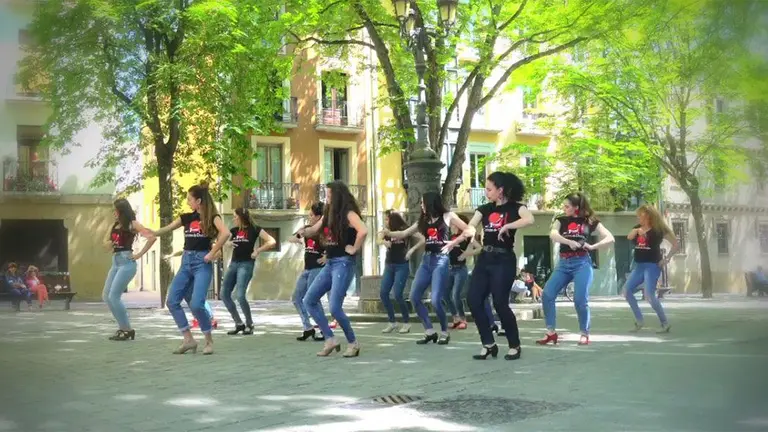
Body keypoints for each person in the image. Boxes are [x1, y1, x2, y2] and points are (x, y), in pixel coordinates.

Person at [143, 183, 229, 355]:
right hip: (186, 262)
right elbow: (167, 228)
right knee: (172, 301)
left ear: (199, 201)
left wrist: (212, 252)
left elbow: (226, 233)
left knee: (196, 304)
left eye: (190, 199)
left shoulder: (213, 218)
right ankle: (188, 339)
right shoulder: (187, 218)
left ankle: (209, 341)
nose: (188, 202)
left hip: (201, 263)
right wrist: (153, 233)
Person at [382, 192, 474, 346]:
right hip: (426, 261)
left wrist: (454, 242)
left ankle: (444, 332)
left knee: (436, 300)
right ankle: (429, 331)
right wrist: (388, 233)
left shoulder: (448, 216)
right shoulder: (423, 220)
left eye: (422, 202)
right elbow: (404, 233)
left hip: (441, 261)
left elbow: (470, 230)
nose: (421, 205)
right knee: (414, 297)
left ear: (430, 203)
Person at [464, 172, 534, 360]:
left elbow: (529, 219)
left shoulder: (516, 208)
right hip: (485, 258)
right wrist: (469, 231)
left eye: (489, 189)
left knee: (500, 303)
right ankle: (488, 344)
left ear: (500, 190)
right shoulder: (484, 209)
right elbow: (472, 224)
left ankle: (514, 345)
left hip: (504, 259)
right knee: (473, 300)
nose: (486, 192)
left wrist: (508, 226)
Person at [299, 181, 368, 357]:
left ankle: (353, 343)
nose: (327, 198)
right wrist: (304, 232)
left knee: (335, 308)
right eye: (326, 194)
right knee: (309, 300)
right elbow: (315, 229)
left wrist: (354, 248)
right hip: (330, 263)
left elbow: (363, 230)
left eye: (329, 195)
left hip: (343, 263)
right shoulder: (328, 214)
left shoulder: (349, 213)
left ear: (338, 196)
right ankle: (330, 339)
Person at [537, 192, 615, 346]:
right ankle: (551, 332)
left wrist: (593, 246)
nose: (564, 209)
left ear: (576, 207)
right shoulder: (561, 220)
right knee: (547, 294)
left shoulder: (589, 221)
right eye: (564, 206)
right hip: (564, 263)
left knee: (580, 299)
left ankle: (584, 333)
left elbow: (610, 238)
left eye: (567, 206)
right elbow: (553, 234)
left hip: (582, 263)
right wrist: (568, 242)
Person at [102, 198, 155, 341]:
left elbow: (151, 238)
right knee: (106, 296)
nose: (114, 213)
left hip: (127, 262)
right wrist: (108, 244)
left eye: (116, 210)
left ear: (121, 211)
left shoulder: (133, 224)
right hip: (115, 262)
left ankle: (127, 329)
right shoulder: (114, 225)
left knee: (114, 296)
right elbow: (105, 244)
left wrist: (139, 254)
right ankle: (123, 327)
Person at [221, 207, 276, 335]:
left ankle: (249, 324)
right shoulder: (234, 230)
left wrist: (258, 251)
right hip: (234, 264)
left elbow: (272, 241)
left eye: (235, 216)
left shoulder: (254, 229)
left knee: (240, 296)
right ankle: (239, 323)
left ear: (241, 217)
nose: (234, 219)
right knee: (224, 295)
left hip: (246, 265)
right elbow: (223, 241)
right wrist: (227, 244)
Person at [624, 205, 678, 333]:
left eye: (640, 215)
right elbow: (629, 237)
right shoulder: (637, 228)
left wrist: (667, 259)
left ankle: (665, 323)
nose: (638, 217)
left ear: (648, 216)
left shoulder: (659, 230)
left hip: (652, 266)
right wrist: (637, 231)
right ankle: (639, 320)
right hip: (639, 265)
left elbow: (676, 245)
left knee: (649, 295)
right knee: (626, 291)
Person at [288, 202, 330, 341]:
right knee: (296, 298)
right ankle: (308, 327)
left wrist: (327, 256)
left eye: (311, 215)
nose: (309, 217)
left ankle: (324, 330)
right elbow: (291, 238)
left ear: (319, 217)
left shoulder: (325, 230)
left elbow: (334, 244)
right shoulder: (306, 229)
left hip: (318, 269)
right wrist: (298, 236)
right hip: (307, 269)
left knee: (313, 299)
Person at [379, 209, 419, 334]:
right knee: (383, 293)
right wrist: (383, 241)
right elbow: (378, 239)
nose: (385, 221)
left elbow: (422, 239)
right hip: (389, 265)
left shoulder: (405, 230)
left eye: (387, 219)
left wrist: (411, 250)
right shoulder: (386, 231)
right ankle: (392, 322)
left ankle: (406, 322)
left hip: (402, 265)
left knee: (397, 294)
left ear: (393, 219)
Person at [444, 214, 475, 330]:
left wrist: (466, 254)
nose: (452, 224)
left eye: (454, 222)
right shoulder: (451, 236)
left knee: (455, 295)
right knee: (445, 294)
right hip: (449, 269)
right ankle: (455, 318)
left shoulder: (466, 236)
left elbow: (479, 248)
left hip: (460, 269)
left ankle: (463, 319)